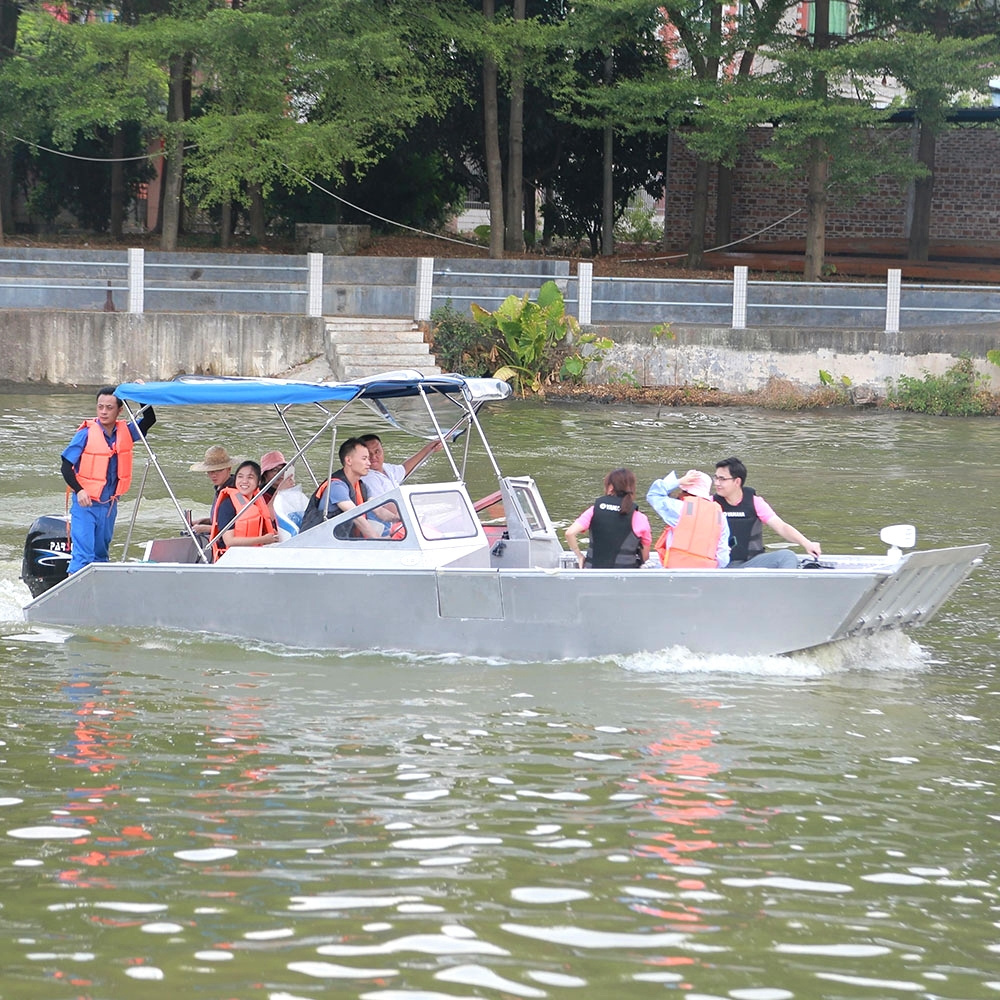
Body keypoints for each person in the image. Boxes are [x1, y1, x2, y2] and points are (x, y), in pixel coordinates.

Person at [61, 385, 156, 574]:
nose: (103, 412)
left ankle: (97, 598)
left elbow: (150, 419)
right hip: (85, 505)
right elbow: (65, 466)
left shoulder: (126, 432)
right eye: (100, 407)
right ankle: (77, 597)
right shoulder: (86, 433)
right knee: (84, 557)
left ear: (120, 410)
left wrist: (139, 392)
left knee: (101, 555)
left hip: (109, 506)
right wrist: (79, 490)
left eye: (109, 408)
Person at [712, 456, 821, 568]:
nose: (717, 483)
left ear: (737, 481)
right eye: (715, 478)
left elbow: (781, 527)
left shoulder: (755, 502)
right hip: (720, 566)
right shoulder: (709, 503)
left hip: (751, 562)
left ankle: (785, 585)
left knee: (787, 556)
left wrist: (806, 543)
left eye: (722, 479)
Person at [299, 438, 392, 538]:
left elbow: (378, 510)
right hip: (319, 543)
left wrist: (398, 518)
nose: (369, 463)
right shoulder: (336, 486)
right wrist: (377, 539)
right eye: (364, 459)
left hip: (342, 542)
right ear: (348, 460)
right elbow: (356, 516)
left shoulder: (362, 486)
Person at [565, 468, 651, 569]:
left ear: (610, 487)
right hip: (625, 578)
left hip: (594, 574)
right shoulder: (640, 517)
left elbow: (569, 533)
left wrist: (579, 556)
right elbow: (645, 557)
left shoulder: (594, 510)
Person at [646, 469, 729, 568]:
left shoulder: (679, 508)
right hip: (706, 574)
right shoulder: (720, 516)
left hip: (675, 571)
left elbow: (653, 495)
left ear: (685, 491)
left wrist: (678, 481)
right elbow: (723, 557)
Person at [209, 460, 278, 561]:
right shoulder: (228, 504)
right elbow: (229, 541)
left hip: (253, 555)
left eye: (250, 477)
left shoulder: (256, 503)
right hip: (230, 559)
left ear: (258, 482)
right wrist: (264, 539)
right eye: (240, 477)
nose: (244, 481)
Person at [358, 433, 443, 497]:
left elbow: (405, 469)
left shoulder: (386, 468)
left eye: (377, 451)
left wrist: (429, 448)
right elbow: (383, 506)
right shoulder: (368, 477)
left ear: (383, 451)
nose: (374, 457)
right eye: (369, 453)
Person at [260, 450, 308, 542]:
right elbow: (266, 518)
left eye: (283, 469)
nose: (280, 473)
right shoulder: (260, 494)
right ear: (265, 474)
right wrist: (279, 491)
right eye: (275, 470)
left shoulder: (289, 492)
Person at [189, 445, 235, 537]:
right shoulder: (220, 488)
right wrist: (205, 521)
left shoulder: (234, 491)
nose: (214, 475)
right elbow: (223, 519)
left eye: (218, 470)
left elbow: (235, 527)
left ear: (229, 469)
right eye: (210, 471)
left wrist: (204, 528)